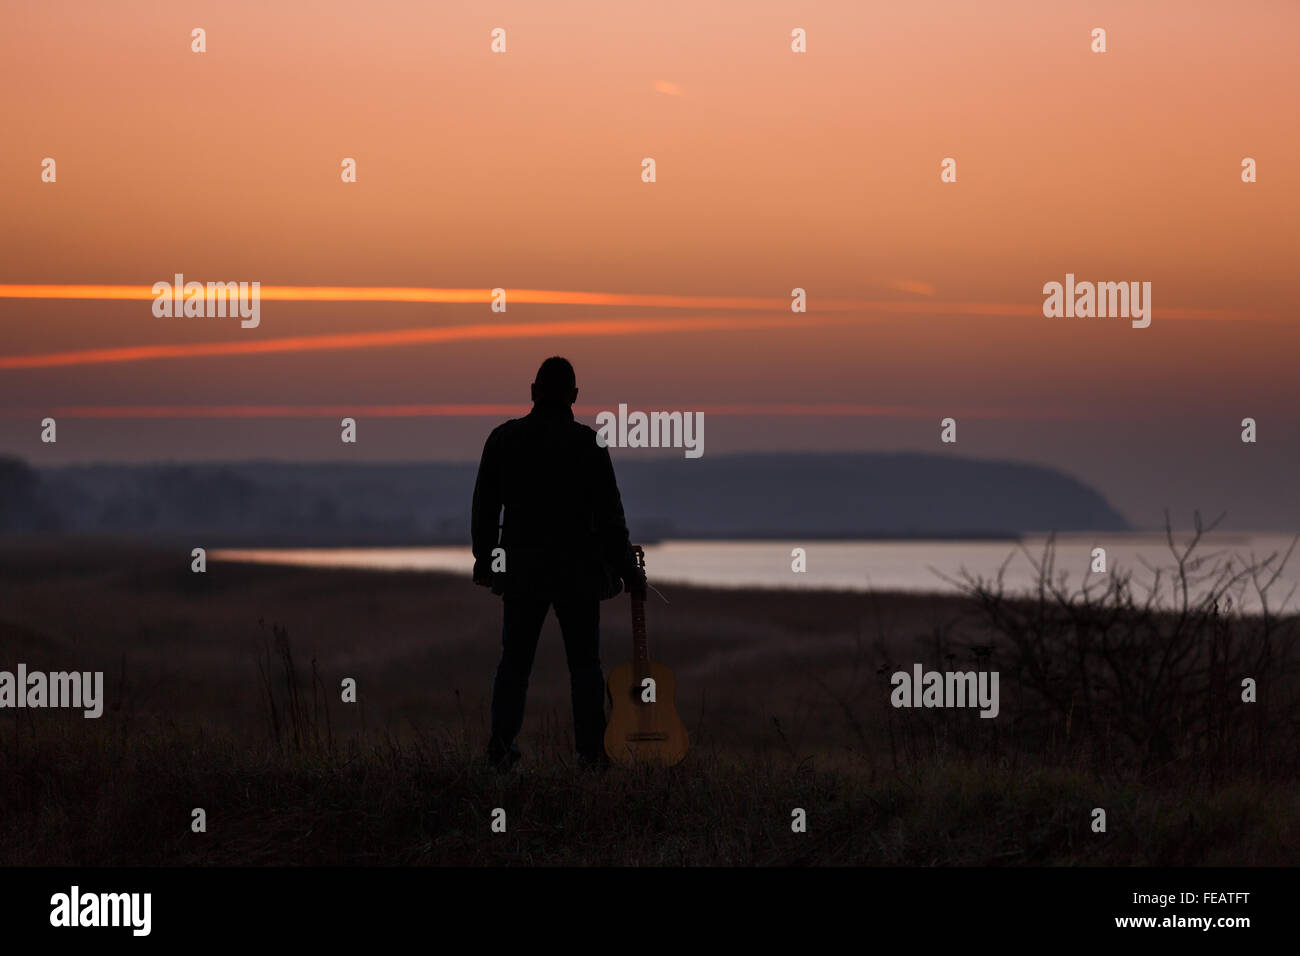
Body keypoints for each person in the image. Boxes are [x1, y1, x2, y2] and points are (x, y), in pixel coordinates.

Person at [471, 356, 645, 769]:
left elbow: (484, 511)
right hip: (579, 574)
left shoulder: (503, 440)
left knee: (514, 662)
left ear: (533, 392)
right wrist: (627, 571)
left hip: (522, 573)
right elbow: (610, 520)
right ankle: (590, 755)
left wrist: (486, 562)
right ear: (574, 396)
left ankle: (500, 751)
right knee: (585, 665)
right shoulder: (589, 445)